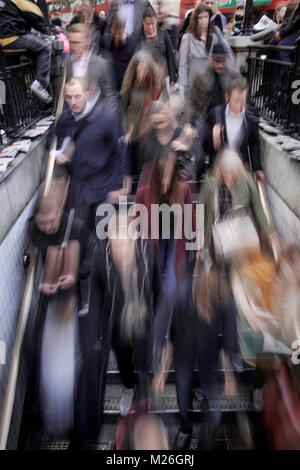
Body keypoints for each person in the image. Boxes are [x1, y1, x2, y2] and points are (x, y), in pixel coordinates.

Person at [28, 176, 102, 450]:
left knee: (82, 364)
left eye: (50, 222)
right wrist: (45, 284)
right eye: (41, 223)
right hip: (53, 306)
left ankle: (83, 436)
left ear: (60, 212)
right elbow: (36, 236)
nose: (46, 228)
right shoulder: (37, 231)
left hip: (78, 304)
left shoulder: (78, 227)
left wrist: (75, 275)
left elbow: (93, 254)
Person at [92, 209, 161, 417]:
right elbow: (96, 295)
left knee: (143, 359)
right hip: (118, 323)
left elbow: (157, 286)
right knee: (123, 361)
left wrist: (157, 320)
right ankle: (129, 387)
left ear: (134, 237)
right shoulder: (100, 257)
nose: (120, 251)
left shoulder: (148, 249)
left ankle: (144, 382)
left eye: (125, 243)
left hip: (143, 319)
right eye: (116, 244)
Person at [54, 76, 129, 230]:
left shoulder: (106, 118)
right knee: (83, 238)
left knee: (104, 236)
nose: (73, 102)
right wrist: (57, 153)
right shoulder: (65, 119)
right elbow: (53, 138)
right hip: (79, 193)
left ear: (88, 94)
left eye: (77, 96)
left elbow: (120, 152)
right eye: (68, 97)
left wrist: (120, 186)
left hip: (103, 190)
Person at [204, 77, 265, 183]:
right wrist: (212, 137)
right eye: (237, 101)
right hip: (218, 172)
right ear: (227, 97)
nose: (241, 105)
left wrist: (257, 167)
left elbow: (254, 143)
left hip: (240, 172)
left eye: (243, 100)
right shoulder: (215, 114)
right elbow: (204, 146)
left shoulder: (251, 116)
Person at [121, 49, 167, 176]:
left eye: (144, 68)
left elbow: (165, 106)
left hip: (153, 134)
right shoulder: (130, 84)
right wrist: (127, 130)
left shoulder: (157, 83)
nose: (141, 71)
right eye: (139, 68)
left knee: (150, 172)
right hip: (135, 133)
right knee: (134, 172)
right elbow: (123, 109)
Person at [0, 0, 53, 103]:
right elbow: (38, 19)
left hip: (3, 42)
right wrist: (49, 30)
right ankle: (39, 85)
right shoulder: (23, 1)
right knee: (45, 48)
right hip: (13, 36)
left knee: (10, 79)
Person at [178, 4, 234, 98]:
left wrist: (232, 73)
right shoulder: (187, 38)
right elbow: (183, 65)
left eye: (206, 17)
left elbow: (227, 50)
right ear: (196, 19)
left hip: (212, 86)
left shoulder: (215, 33)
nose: (204, 20)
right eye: (201, 17)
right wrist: (182, 89)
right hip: (194, 87)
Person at [66, 23, 118, 111]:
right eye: (70, 42)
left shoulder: (101, 64)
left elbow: (109, 96)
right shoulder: (67, 63)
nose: (72, 47)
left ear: (88, 41)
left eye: (77, 42)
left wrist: (108, 119)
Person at [186, 42, 240, 126]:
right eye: (217, 61)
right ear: (212, 59)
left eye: (222, 62)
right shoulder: (201, 76)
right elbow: (193, 101)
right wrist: (190, 123)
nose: (220, 65)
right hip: (205, 120)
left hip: (226, 119)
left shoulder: (233, 76)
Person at [136, 6, 177, 86]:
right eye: (148, 24)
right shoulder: (138, 36)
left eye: (153, 23)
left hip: (163, 77)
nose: (151, 27)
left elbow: (170, 56)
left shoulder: (163, 33)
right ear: (143, 22)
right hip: (146, 80)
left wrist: (172, 78)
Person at [99, 14, 139, 91]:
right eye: (114, 34)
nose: (117, 37)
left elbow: (135, 67)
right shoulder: (104, 40)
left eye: (119, 34)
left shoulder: (133, 43)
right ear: (110, 28)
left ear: (124, 28)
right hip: (107, 87)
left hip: (125, 88)